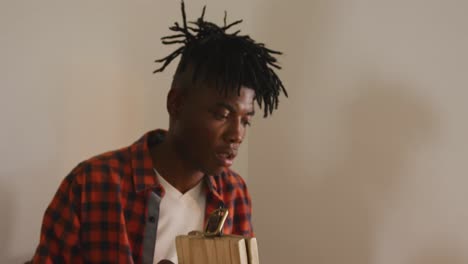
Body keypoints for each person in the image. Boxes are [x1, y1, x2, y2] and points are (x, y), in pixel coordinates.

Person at [31, 1, 287, 263]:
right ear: (176, 104)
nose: (237, 134)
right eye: (222, 115)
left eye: (246, 120)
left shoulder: (234, 193)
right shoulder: (90, 185)